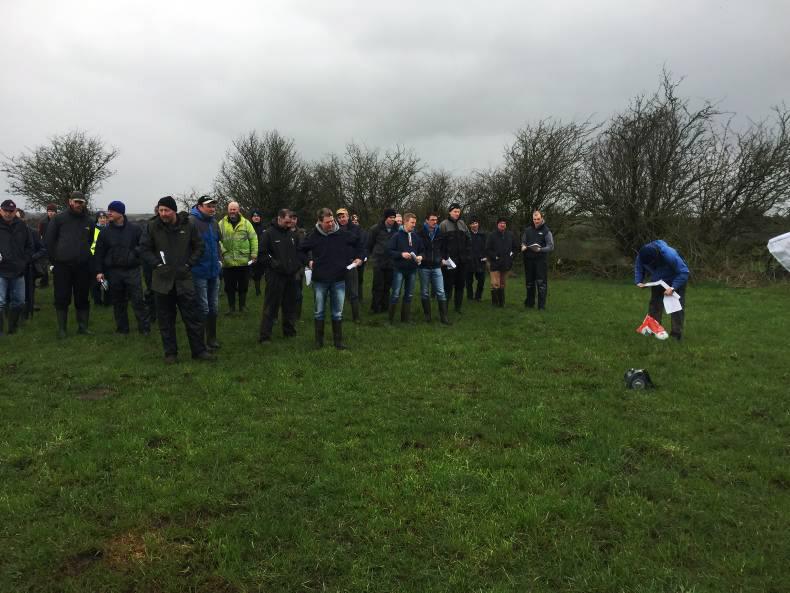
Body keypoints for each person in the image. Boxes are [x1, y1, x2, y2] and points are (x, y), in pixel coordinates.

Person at [139, 196, 212, 362]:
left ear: (174, 211)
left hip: (184, 279)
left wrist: (189, 264)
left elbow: (199, 246)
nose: (163, 214)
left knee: (193, 317)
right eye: (160, 210)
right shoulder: (152, 226)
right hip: (162, 281)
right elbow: (144, 249)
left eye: (166, 210)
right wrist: (157, 265)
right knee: (165, 319)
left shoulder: (189, 225)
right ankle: (170, 353)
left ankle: (199, 351)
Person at [299, 208, 363, 349]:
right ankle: (318, 342)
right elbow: (301, 250)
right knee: (319, 311)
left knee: (337, 312)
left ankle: (338, 342)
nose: (331, 224)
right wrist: (308, 262)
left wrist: (359, 257)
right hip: (320, 280)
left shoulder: (341, 234)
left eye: (332, 221)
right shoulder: (313, 236)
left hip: (339, 279)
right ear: (320, 222)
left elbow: (359, 242)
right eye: (327, 222)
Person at [94, 200, 150, 335]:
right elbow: (99, 252)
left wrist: (133, 254)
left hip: (132, 270)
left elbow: (144, 245)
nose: (109, 213)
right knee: (118, 302)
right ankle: (122, 329)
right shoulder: (105, 232)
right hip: (113, 271)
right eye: (109, 211)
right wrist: (99, 271)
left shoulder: (135, 229)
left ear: (121, 212)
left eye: (112, 211)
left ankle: (144, 329)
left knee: (138, 300)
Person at [45, 190, 96, 337]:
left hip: (82, 266)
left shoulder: (89, 221)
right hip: (62, 266)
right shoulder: (59, 219)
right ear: (70, 202)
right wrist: (54, 260)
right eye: (76, 201)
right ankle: (62, 329)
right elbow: (49, 241)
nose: (78, 204)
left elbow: (91, 240)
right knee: (61, 297)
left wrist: (86, 256)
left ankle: (83, 327)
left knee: (82, 297)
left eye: (81, 202)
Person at [258, 208, 302, 342]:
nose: (290, 225)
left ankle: (289, 332)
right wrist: (275, 264)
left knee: (290, 305)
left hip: (291, 275)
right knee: (271, 306)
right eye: (287, 222)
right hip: (275, 276)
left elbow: (298, 252)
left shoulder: (293, 234)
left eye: (291, 222)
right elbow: (262, 254)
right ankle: (265, 336)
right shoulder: (269, 234)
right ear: (279, 218)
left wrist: (297, 265)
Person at [634, 240, 690, 340]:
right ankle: (654, 330)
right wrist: (639, 281)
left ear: (658, 256)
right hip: (658, 280)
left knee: (676, 307)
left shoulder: (669, 254)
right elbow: (639, 267)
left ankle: (676, 334)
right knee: (655, 305)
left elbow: (684, 272)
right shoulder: (642, 255)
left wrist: (673, 287)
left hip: (675, 278)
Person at [190, 195, 222, 351]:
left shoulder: (215, 223)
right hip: (198, 272)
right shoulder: (191, 222)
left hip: (214, 272)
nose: (212, 209)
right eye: (209, 206)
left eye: (213, 206)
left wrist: (220, 260)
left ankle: (212, 338)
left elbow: (217, 244)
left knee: (214, 308)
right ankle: (200, 341)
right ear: (199, 206)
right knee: (203, 308)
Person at [219, 201, 258, 315]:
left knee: (243, 286)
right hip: (228, 262)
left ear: (238, 210)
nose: (232, 211)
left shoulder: (246, 223)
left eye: (234, 209)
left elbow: (253, 239)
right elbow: (217, 240)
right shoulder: (221, 223)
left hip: (243, 262)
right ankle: (231, 308)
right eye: (230, 209)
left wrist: (254, 254)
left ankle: (242, 306)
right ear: (228, 210)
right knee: (229, 287)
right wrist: (222, 251)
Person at [0, 200, 32, 335]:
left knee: (19, 301)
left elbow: (29, 246)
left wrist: (24, 261)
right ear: (0, 210)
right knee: (0, 301)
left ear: (15, 211)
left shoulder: (21, 225)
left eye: (11, 211)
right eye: (5, 210)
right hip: (1, 270)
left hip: (18, 270)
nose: (8, 213)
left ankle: (12, 329)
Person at [388, 212, 423, 324]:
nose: (414, 225)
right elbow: (389, 251)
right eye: (412, 222)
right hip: (399, 269)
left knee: (409, 294)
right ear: (405, 222)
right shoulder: (397, 236)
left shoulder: (416, 236)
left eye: (415, 223)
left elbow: (422, 250)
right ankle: (390, 320)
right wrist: (401, 254)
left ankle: (405, 319)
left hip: (412, 270)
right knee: (396, 294)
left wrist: (420, 256)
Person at [417, 212, 451, 324]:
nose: (434, 222)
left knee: (441, 291)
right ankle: (427, 316)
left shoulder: (440, 233)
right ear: (426, 220)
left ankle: (444, 317)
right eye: (432, 220)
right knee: (425, 292)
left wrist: (442, 258)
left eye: (436, 220)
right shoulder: (420, 233)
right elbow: (418, 248)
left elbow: (444, 248)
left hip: (437, 266)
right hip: (424, 266)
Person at [439, 203, 471, 314]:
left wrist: (467, 255)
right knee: (448, 286)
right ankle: (445, 309)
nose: (457, 213)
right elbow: (440, 243)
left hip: (462, 261)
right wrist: (444, 258)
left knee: (460, 285)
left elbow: (468, 239)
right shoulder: (443, 224)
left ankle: (458, 308)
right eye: (455, 211)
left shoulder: (462, 224)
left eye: (458, 211)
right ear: (449, 212)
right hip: (449, 262)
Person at [520, 210, 554, 310]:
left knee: (541, 283)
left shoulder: (546, 231)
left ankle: (541, 306)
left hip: (540, 261)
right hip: (529, 260)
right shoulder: (528, 230)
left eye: (538, 219)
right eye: (534, 219)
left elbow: (551, 246)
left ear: (542, 218)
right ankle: (529, 303)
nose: (536, 221)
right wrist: (523, 246)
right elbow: (523, 242)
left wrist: (540, 249)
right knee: (529, 283)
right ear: (532, 219)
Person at [367, 208, 399, 313]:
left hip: (391, 262)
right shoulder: (375, 229)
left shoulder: (397, 230)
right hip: (378, 261)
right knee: (378, 285)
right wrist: (374, 255)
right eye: (390, 217)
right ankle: (375, 307)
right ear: (385, 218)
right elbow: (370, 244)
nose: (392, 219)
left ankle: (385, 307)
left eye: (394, 217)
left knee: (387, 286)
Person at [336, 207, 363, 323]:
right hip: (337, 265)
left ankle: (356, 317)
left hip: (351, 263)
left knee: (354, 292)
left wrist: (359, 258)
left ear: (348, 217)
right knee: (338, 292)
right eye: (339, 217)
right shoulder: (333, 229)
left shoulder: (356, 229)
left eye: (344, 216)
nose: (342, 219)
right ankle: (338, 316)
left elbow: (361, 245)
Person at [485, 217, 519, 307]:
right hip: (495, 264)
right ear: (497, 224)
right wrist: (494, 256)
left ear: (506, 225)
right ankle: (495, 303)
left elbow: (515, 248)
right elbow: (487, 249)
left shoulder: (510, 235)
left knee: (502, 284)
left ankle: (502, 303)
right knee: (495, 284)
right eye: (500, 223)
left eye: (504, 223)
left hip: (506, 263)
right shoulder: (492, 235)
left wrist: (511, 257)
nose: (502, 224)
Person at [90, 210, 111, 307]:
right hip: (94, 258)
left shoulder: (110, 229)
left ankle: (108, 301)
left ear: (107, 219)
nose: (103, 220)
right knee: (96, 282)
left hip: (108, 258)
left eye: (104, 218)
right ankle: (97, 301)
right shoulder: (93, 229)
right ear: (97, 219)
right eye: (100, 218)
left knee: (108, 280)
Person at [36, 203, 57, 288]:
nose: (50, 213)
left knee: (56, 266)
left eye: (52, 211)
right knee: (44, 266)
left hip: (56, 247)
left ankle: (58, 281)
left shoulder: (58, 221)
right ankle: (44, 282)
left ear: (55, 212)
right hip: (45, 246)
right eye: (49, 211)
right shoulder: (43, 222)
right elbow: (39, 234)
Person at [466, 217, 487, 302]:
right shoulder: (466, 235)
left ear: (478, 224)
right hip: (469, 261)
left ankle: (478, 296)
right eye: (472, 223)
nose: (474, 225)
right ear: (470, 225)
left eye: (476, 223)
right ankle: (470, 297)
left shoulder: (483, 235)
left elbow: (487, 247)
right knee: (469, 281)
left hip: (480, 261)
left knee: (481, 280)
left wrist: (485, 256)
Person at [249, 209, 265, 296]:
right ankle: (257, 290)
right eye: (254, 216)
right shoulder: (248, 227)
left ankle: (265, 290)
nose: (256, 217)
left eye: (258, 216)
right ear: (251, 218)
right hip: (252, 253)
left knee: (262, 272)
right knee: (255, 273)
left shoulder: (264, 227)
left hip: (262, 253)